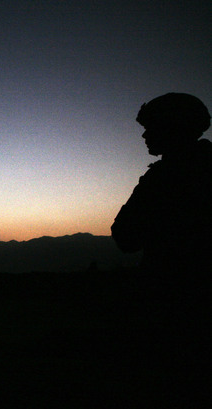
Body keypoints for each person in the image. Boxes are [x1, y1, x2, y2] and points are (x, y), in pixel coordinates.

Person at [111, 93, 212, 400]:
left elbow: (125, 236)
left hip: (172, 310)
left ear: (172, 127)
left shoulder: (164, 178)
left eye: (151, 126)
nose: (144, 134)